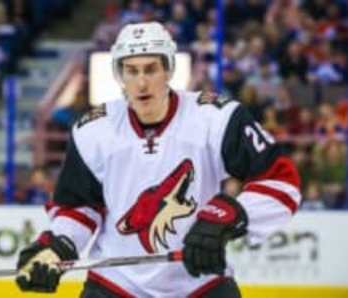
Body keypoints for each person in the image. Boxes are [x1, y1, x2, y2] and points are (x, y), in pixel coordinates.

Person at [15, 22, 301, 297]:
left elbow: (281, 180)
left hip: (199, 282)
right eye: (131, 71)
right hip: (116, 285)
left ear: (169, 70)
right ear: (120, 75)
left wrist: (228, 217)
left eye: (151, 69)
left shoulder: (217, 118)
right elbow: (77, 207)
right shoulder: (92, 131)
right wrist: (56, 247)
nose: (141, 82)